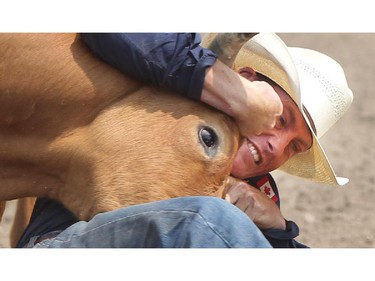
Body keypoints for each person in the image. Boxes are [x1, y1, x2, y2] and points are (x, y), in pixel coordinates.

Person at [16, 33, 353, 248]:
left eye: (294, 147)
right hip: (64, 245)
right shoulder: (164, 98)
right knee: (209, 221)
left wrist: (278, 228)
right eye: (279, 119)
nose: (277, 148)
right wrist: (226, 89)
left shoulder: (259, 191)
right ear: (246, 81)